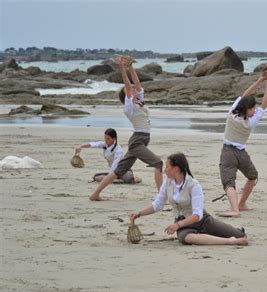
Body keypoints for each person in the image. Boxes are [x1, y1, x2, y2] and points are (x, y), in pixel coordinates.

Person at [130, 153, 248, 245]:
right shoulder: (167, 183)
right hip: (184, 226)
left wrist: (176, 226)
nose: (165, 170)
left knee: (240, 235)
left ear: (176, 169)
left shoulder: (194, 185)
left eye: (167, 167)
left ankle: (233, 238)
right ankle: (230, 242)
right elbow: (157, 205)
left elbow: (197, 215)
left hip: (202, 221)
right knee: (185, 238)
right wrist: (139, 213)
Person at [89, 56, 163, 201]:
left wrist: (131, 66)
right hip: (137, 141)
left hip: (142, 139)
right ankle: (161, 198)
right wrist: (122, 68)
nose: (134, 89)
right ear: (127, 95)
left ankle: (95, 194)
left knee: (118, 172)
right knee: (158, 163)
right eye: (130, 90)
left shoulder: (139, 101)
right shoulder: (129, 107)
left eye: (134, 89)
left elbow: (137, 83)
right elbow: (128, 84)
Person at [218, 70, 267, 217]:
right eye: (252, 108)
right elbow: (264, 105)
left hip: (230, 152)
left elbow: (245, 95)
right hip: (237, 153)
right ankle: (237, 208)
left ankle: (240, 205)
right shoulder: (250, 122)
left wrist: (259, 81)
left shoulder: (232, 113)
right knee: (240, 179)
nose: (254, 110)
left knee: (240, 179)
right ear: (246, 109)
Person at [75, 128, 140, 184]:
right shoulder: (104, 144)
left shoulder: (118, 150)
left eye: (108, 138)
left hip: (123, 171)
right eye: (105, 138)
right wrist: (80, 146)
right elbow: (93, 144)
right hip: (114, 172)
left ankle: (128, 178)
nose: (106, 140)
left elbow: (115, 164)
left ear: (114, 138)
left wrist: (110, 176)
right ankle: (116, 180)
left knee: (129, 179)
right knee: (96, 177)